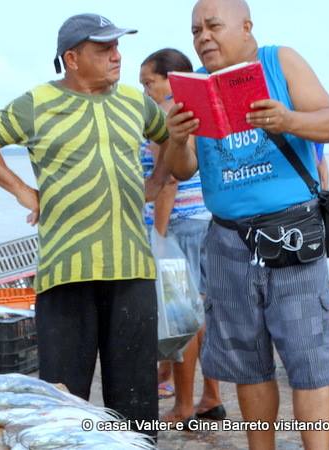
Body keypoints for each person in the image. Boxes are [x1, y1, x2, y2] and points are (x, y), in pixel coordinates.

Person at [0, 13, 172, 436]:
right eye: (104, 50)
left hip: (132, 268)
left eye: (117, 47)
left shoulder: (135, 100)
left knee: (136, 402)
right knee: (63, 401)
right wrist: (22, 190)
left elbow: (167, 135)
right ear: (72, 59)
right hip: (66, 273)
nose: (117, 56)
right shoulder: (37, 103)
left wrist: (155, 180)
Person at [165, 1, 329, 448]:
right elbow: (181, 169)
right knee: (247, 364)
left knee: (309, 363)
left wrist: (288, 120)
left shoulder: (279, 60)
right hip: (227, 240)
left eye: (212, 26)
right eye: (195, 31)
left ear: (246, 27)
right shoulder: (194, 88)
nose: (203, 37)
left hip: (291, 235)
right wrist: (177, 138)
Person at [139, 48, 226, 424]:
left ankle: (184, 405)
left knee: (181, 320)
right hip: (202, 222)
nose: (144, 91)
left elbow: (170, 179)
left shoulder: (166, 116)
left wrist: (157, 237)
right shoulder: (198, 107)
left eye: (148, 82)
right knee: (201, 317)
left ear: (170, 79)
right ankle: (210, 396)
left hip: (174, 227)